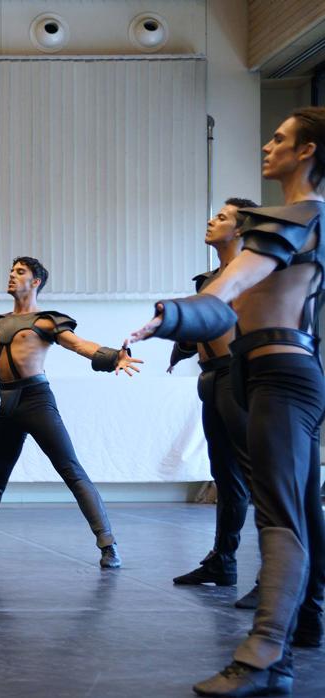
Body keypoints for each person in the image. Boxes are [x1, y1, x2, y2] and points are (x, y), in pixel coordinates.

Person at [131, 107, 325, 696]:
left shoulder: (297, 214)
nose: (269, 145)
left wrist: (173, 316)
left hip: (282, 374)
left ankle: (265, 656)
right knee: (299, 508)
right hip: (278, 371)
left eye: (280, 138)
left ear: (308, 151)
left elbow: (230, 289)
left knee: (280, 514)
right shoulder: (305, 220)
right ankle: (304, 622)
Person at [0, 256, 139, 569]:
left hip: (36, 401)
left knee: (71, 471)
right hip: (7, 404)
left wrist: (114, 356)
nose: (12, 276)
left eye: (20, 272)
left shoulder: (45, 321)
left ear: (35, 282)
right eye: (10, 271)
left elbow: (80, 345)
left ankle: (108, 543)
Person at [167, 198, 257, 591]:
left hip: (240, 378)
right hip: (210, 379)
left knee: (259, 478)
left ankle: (274, 577)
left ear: (240, 229)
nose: (211, 220)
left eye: (222, 217)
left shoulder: (254, 274)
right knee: (226, 476)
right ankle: (223, 560)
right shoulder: (208, 281)